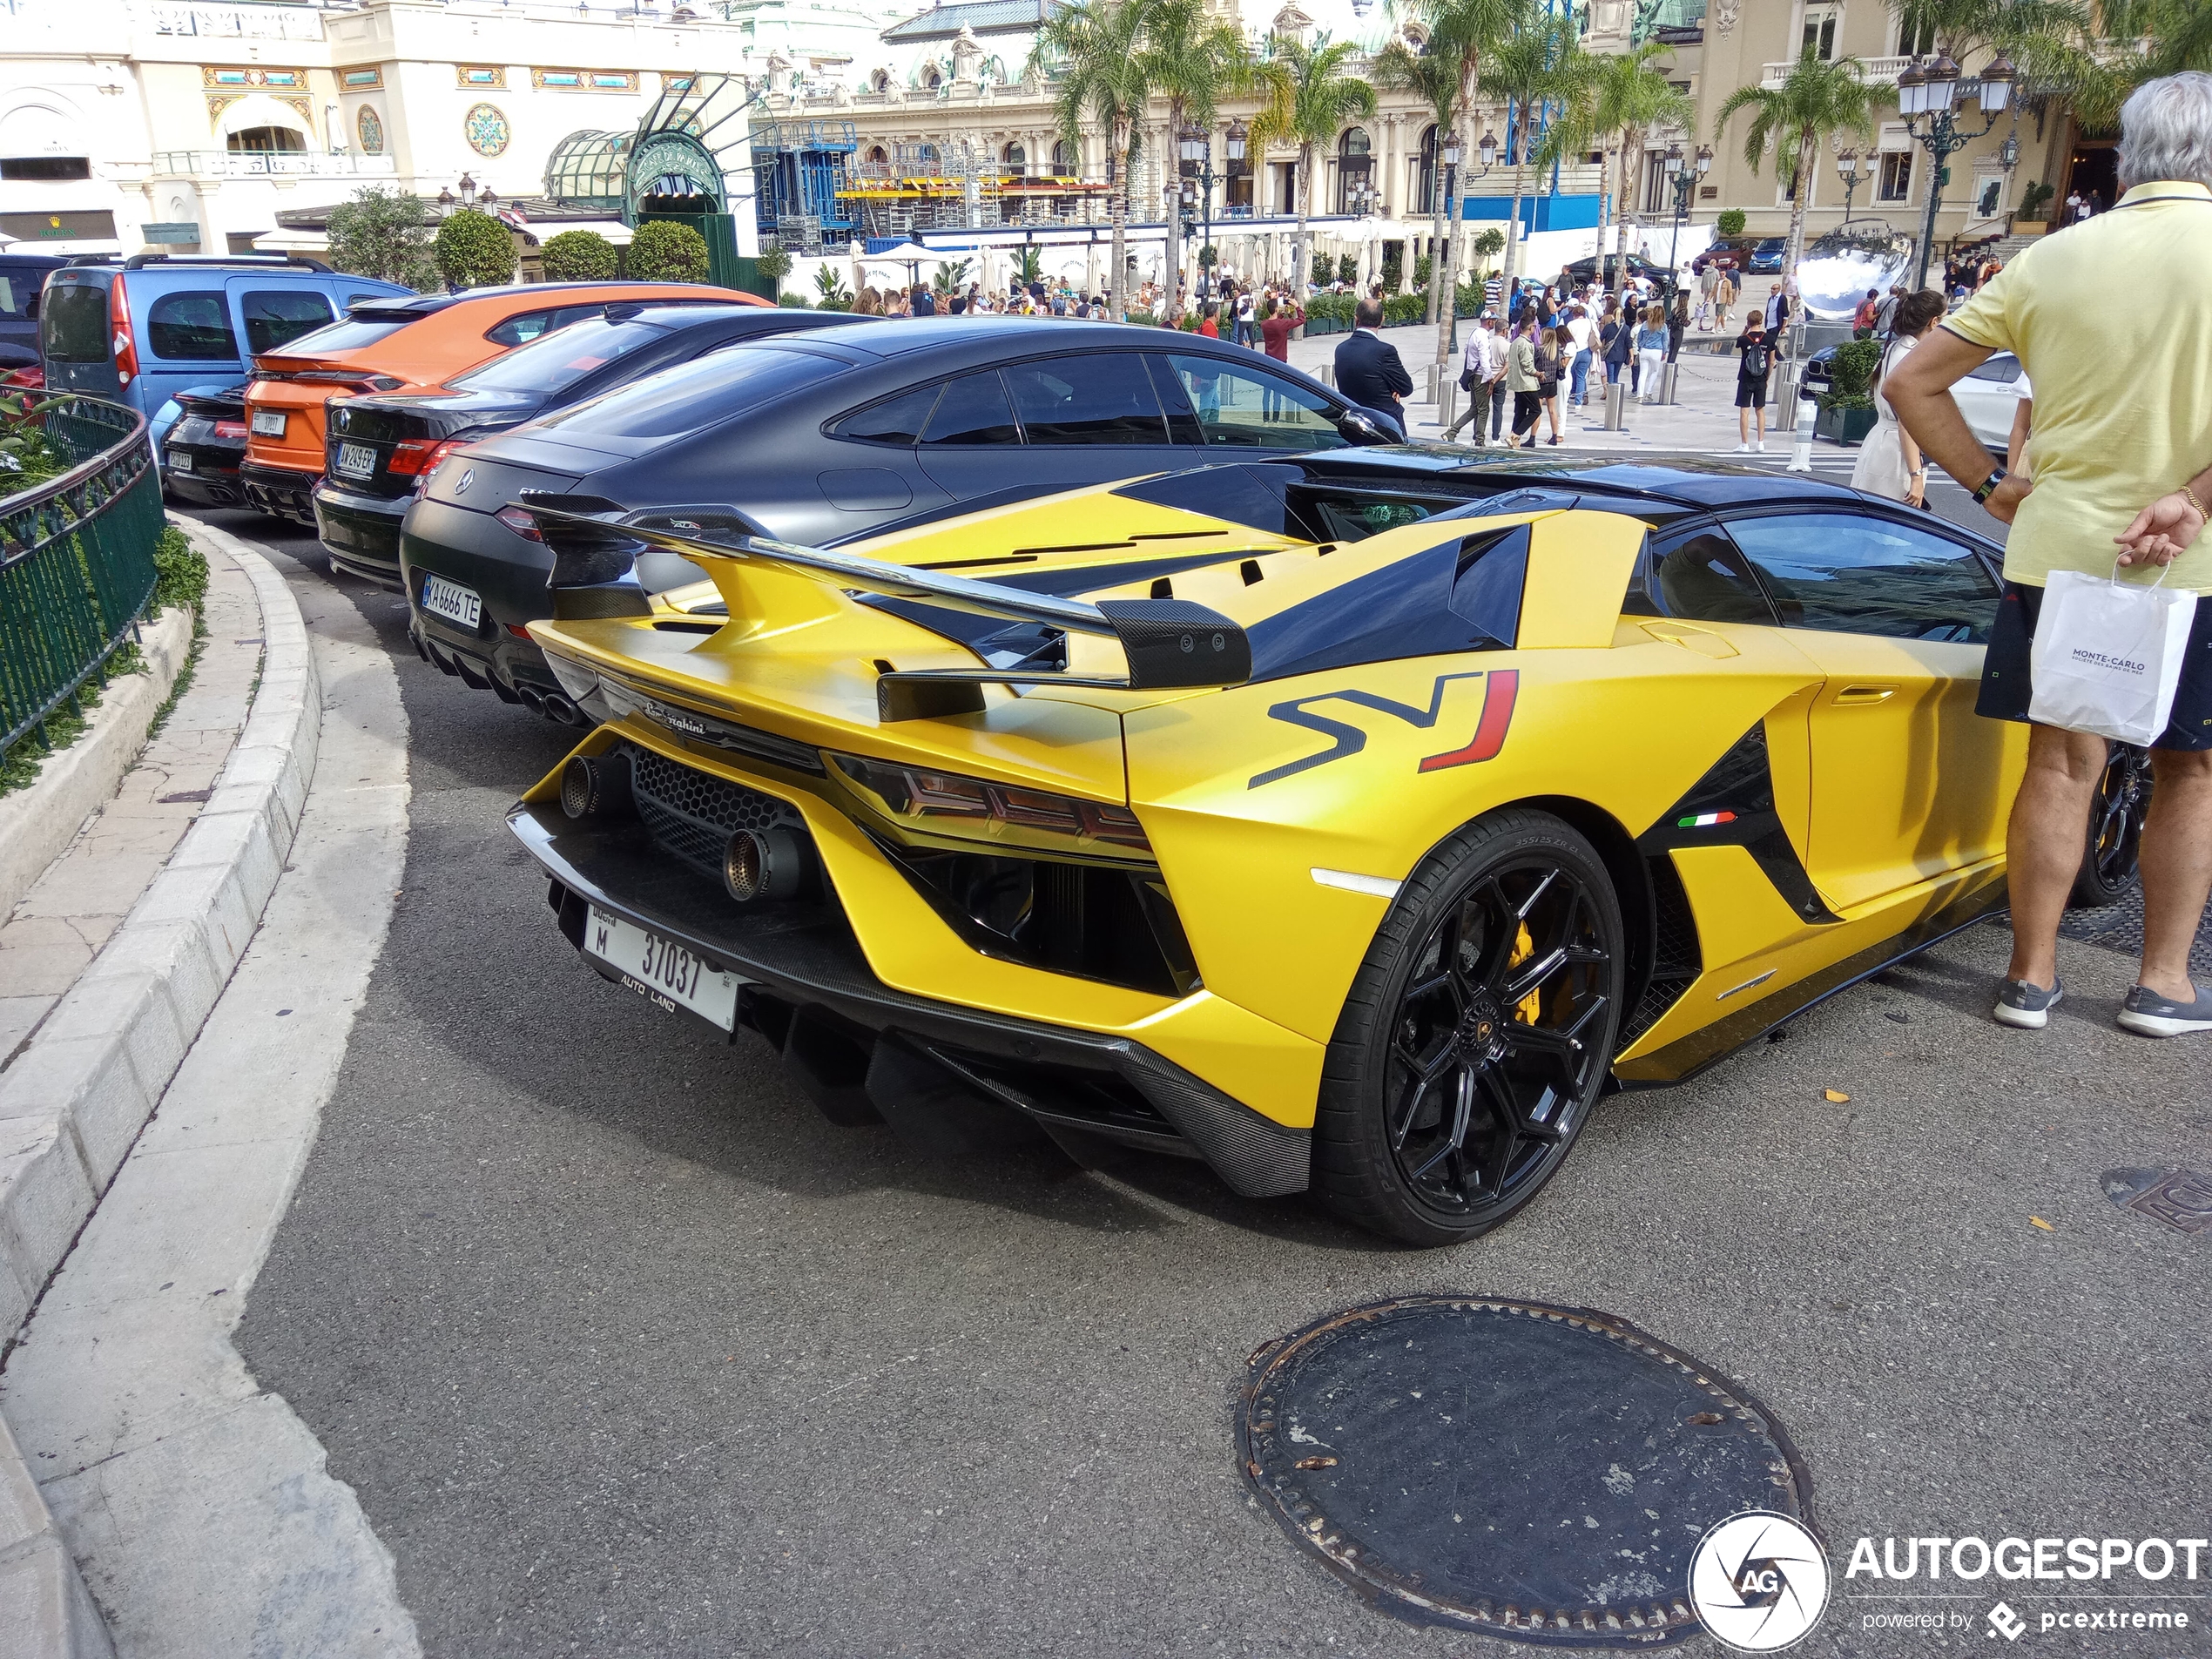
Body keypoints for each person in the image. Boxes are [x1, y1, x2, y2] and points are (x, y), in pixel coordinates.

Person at [1885, 70, 2212, 1036]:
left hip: (2060, 546)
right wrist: (2190, 499)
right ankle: (2161, 984)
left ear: (2130, 154)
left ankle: (2028, 977)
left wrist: (1989, 485)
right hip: (2192, 562)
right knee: (2188, 770)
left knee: (2060, 764)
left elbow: (1911, 383)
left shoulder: (2052, 258)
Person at [1848, 287, 1946, 505]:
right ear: (1934, 322)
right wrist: (1916, 476)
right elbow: (1907, 423)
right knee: (1893, 528)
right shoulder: (1913, 358)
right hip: (1897, 453)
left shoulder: (1894, 349)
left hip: (1879, 442)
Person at [1333, 297, 1414, 422]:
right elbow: (1406, 387)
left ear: (1356, 319)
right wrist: (1394, 389)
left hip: (1351, 419)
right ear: (1382, 319)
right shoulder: (1385, 351)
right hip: (1383, 422)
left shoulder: (1341, 349)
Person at [1732, 313, 1772, 450]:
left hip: (1746, 377)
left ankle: (1745, 444)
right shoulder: (1769, 339)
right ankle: (1760, 442)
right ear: (1761, 321)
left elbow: (1737, 342)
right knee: (1760, 410)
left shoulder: (1744, 339)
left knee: (1744, 411)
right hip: (1761, 378)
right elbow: (1771, 362)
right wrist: (1767, 377)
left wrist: (1745, 329)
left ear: (1749, 322)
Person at [1506, 315, 1542, 448]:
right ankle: (1516, 434)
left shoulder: (1515, 342)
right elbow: (1527, 364)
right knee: (1535, 410)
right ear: (1530, 327)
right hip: (1527, 383)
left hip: (1517, 383)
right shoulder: (1525, 344)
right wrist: (1538, 374)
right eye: (1534, 326)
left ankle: (1513, 440)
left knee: (1520, 412)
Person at [1536, 324, 1565, 445]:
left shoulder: (1539, 350)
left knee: (1537, 411)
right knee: (1553, 411)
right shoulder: (1557, 351)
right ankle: (1554, 436)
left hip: (1541, 382)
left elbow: (1535, 366)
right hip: (1552, 383)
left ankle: (1533, 436)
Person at [1635, 303, 1669, 403]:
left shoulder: (1645, 324)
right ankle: (1648, 393)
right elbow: (1665, 341)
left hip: (1645, 350)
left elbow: (1639, 337)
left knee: (1643, 373)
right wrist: (1664, 352)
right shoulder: (1663, 326)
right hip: (1656, 351)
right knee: (1654, 372)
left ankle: (1639, 395)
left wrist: (1641, 346)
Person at [1565, 303, 1595, 408]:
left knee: (1569, 375)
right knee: (1581, 377)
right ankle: (1578, 402)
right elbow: (1597, 335)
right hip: (1587, 351)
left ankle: (1567, 399)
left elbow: (1567, 338)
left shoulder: (1571, 324)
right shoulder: (1590, 322)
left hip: (1574, 351)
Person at [1258, 293, 1301, 363]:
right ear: (1276, 309)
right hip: (1281, 359)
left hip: (1268, 357)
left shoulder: (1264, 324)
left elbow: (1273, 324)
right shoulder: (1283, 324)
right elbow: (1301, 319)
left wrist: (1281, 315)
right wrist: (1297, 306)